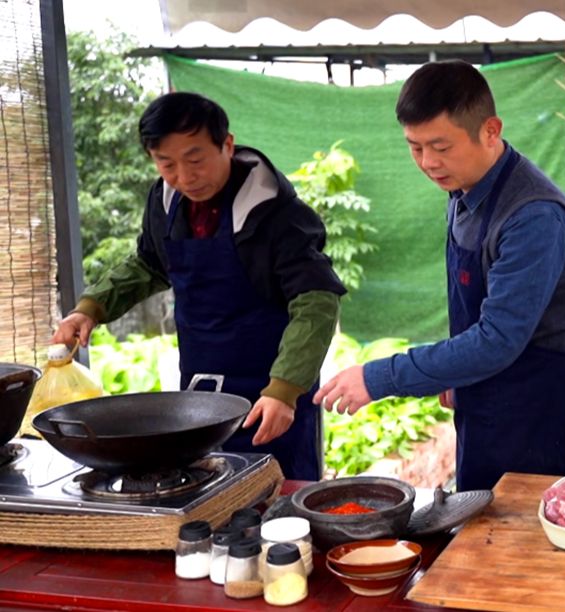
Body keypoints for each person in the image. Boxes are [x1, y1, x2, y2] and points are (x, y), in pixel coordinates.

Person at [314, 60, 565, 492]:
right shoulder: (464, 190)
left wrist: (379, 377)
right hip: (486, 390)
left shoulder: (533, 217)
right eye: (415, 147)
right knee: (478, 519)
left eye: (441, 147)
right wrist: (453, 372)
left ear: (490, 130)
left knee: (515, 539)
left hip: (535, 405)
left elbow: (498, 339)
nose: (428, 162)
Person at [52, 92, 346, 480]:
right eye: (166, 164)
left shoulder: (278, 214)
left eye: (195, 159)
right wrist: (90, 308)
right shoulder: (165, 201)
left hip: (269, 390)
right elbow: (150, 264)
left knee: (276, 495)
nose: (184, 177)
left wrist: (285, 389)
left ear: (227, 144)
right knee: (202, 486)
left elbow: (316, 301)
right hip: (198, 390)